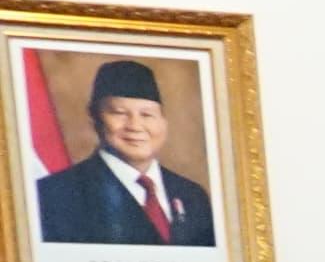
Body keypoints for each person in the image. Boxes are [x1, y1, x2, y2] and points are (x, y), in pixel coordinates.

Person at [32, 60, 218, 247]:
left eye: (147, 115)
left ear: (163, 122)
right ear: (95, 118)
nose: (135, 126)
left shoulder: (192, 196)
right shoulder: (55, 195)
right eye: (119, 113)